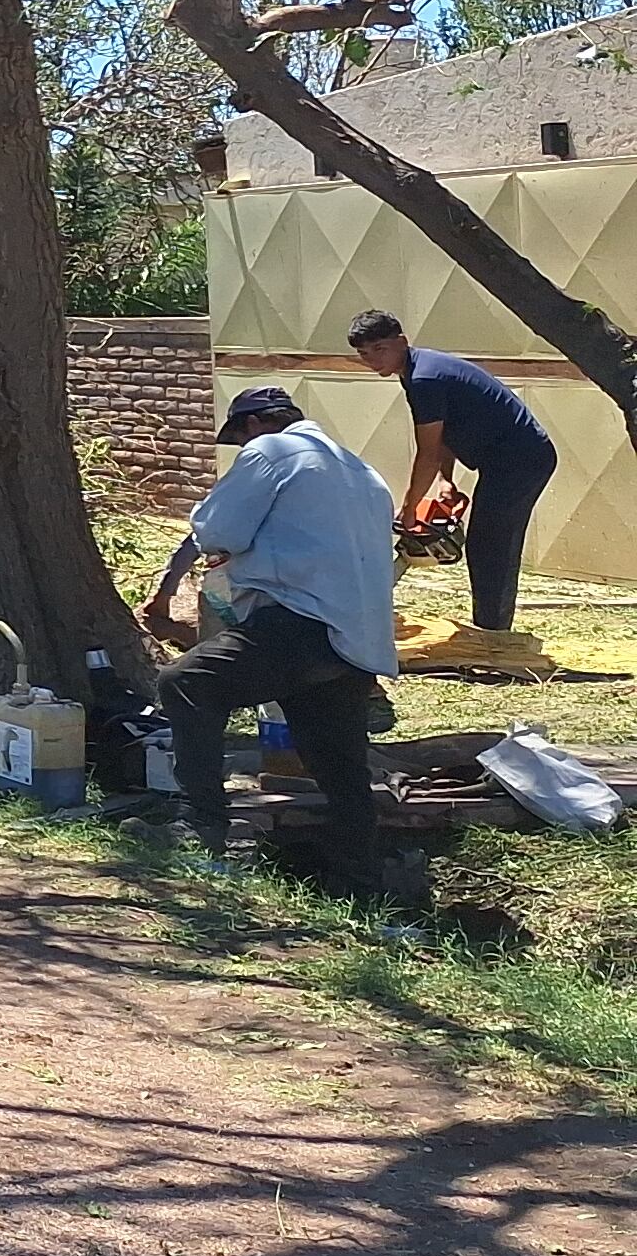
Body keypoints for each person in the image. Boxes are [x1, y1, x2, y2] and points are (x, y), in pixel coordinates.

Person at [140, 386, 399, 897]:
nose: (241, 448)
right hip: (354, 639)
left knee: (186, 682)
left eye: (239, 438)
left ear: (256, 424)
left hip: (298, 620)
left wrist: (175, 583)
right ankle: (361, 881)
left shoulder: (271, 452)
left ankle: (199, 824)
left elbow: (217, 531)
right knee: (339, 763)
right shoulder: (362, 471)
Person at [347, 309, 554, 637]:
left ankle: (492, 636)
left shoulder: (424, 378)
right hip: (504, 460)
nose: (372, 360)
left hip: (521, 459)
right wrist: (445, 480)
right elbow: (442, 435)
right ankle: (491, 626)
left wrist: (411, 508)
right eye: (364, 354)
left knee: (490, 544)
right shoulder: (415, 370)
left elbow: (427, 454)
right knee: (488, 542)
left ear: (401, 341)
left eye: (379, 349)